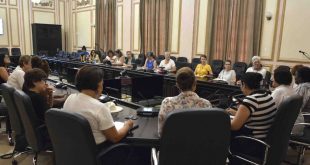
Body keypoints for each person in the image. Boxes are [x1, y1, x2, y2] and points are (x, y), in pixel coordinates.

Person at [63, 65, 133, 145]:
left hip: (74, 148)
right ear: (99, 85)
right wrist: (127, 125)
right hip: (100, 151)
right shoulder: (99, 108)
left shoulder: (70, 98)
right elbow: (115, 137)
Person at [226, 72, 277, 164]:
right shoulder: (267, 95)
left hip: (251, 143)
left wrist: (221, 120)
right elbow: (257, 115)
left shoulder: (251, 100)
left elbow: (234, 126)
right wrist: (238, 113)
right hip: (264, 140)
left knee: (222, 133)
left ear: (243, 84)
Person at [158, 67, 212, 136]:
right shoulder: (206, 104)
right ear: (195, 84)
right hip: (199, 146)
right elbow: (208, 133)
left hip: (173, 146)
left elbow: (161, 133)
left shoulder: (167, 103)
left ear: (177, 85)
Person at [271, 67, 304, 135]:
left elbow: (269, 110)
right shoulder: (291, 89)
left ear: (278, 78)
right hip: (298, 125)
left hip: (288, 128)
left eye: (273, 76)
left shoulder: (279, 91)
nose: (271, 78)